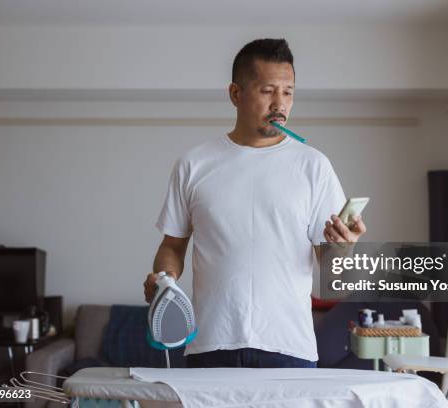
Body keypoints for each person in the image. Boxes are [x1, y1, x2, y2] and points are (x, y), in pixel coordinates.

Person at [143, 38, 366, 368]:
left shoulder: (314, 166)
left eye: (288, 92)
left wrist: (345, 249)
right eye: (267, 91)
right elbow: (173, 245)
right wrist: (163, 280)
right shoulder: (194, 164)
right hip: (209, 345)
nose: (280, 104)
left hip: (290, 348)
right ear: (235, 94)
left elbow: (333, 276)